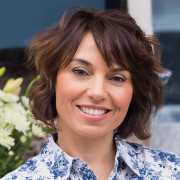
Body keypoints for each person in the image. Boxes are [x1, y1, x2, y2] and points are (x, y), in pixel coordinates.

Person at [2, 7, 180, 180]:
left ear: (134, 92)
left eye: (117, 78)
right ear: (52, 79)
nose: (97, 92)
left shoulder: (171, 172)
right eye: (80, 71)